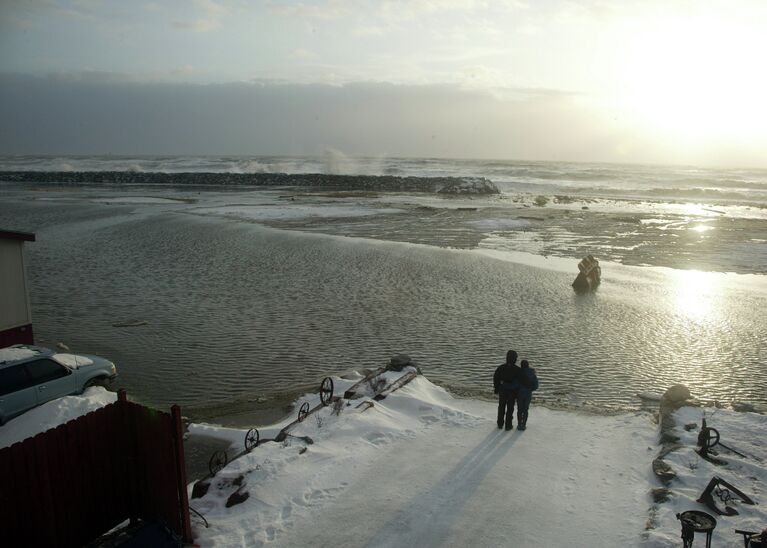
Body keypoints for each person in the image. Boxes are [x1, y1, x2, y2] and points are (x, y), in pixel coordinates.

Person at [493, 350, 523, 431]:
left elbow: (496, 378)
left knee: (501, 407)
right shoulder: (518, 369)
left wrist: (496, 388)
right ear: (515, 359)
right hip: (512, 392)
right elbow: (521, 382)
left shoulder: (501, 367)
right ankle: (508, 425)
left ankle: (500, 424)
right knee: (510, 408)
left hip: (502, 390)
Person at [516, 359, 539, 431]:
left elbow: (515, 384)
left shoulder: (518, 373)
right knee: (525, 409)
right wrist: (531, 389)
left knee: (519, 409)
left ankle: (519, 424)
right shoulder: (532, 373)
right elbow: (536, 385)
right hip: (528, 393)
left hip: (519, 393)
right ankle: (524, 425)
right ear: (528, 365)